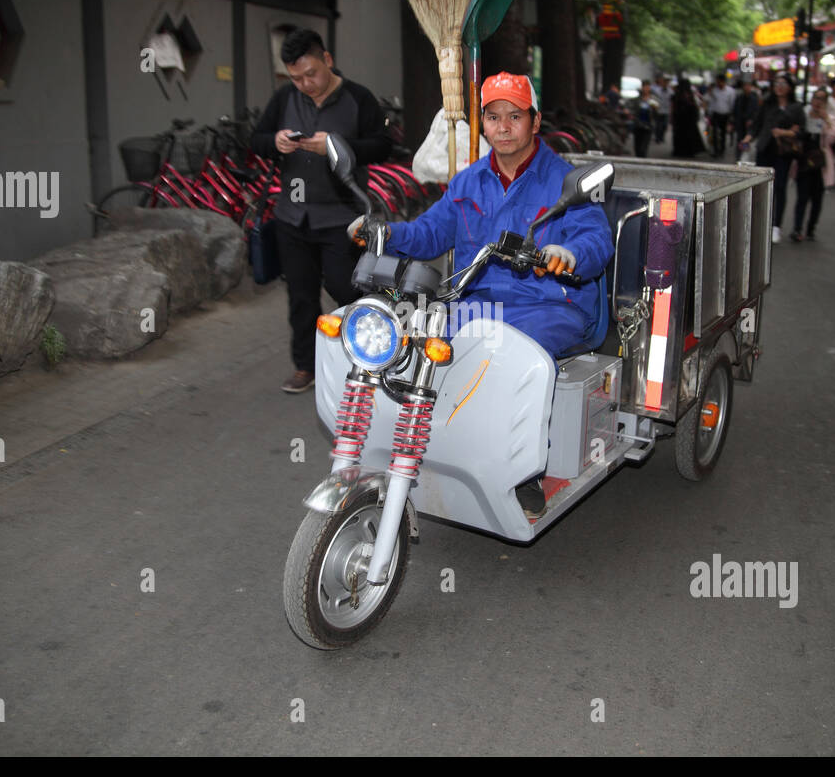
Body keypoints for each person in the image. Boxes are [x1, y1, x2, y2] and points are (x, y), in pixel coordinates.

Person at [348, 72, 613, 516]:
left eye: (514, 116)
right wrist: (386, 231)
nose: (503, 127)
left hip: (553, 303)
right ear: (483, 124)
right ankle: (435, 442)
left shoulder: (565, 182)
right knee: (417, 342)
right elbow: (431, 233)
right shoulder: (469, 181)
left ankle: (526, 468)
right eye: (493, 117)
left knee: (510, 356)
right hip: (480, 302)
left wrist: (567, 254)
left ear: (535, 121)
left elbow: (596, 240)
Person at [250, 28, 391, 393]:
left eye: (310, 74)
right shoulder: (284, 98)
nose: (305, 84)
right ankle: (306, 366)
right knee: (300, 295)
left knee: (347, 289)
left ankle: (371, 357)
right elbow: (255, 139)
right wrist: (275, 142)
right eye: (295, 78)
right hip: (292, 216)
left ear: (327, 60)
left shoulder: (358, 97)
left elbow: (383, 146)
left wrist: (336, 144)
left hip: (342, 217)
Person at [741, 73, 804, 243]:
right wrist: (748, 138)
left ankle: (776, 226)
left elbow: (800, 131)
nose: (779, 86)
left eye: (783, 83)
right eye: (777, 83)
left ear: (790, 87)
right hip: (765, 148)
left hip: (783, 152)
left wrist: (785, 132)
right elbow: (757, 125)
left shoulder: (796, 107)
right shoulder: (767, 104)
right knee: (761, 187)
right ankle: (760, 224)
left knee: (780, 187)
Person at [789, 88, 835, 242]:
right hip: (803, 162)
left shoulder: (829, 119)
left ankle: (811, 228)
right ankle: (797, 229)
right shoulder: (803, 115)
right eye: (815, 98)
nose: (817, 102)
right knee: (802, 197)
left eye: (821, 99)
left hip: (820, 164)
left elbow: (834, 137)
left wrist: (827, 121)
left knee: (817, 199)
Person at [672, 76, 706, 159]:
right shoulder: (688, 94)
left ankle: (682, 151)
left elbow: (675, 108)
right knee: (689, 136)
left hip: (682, 120)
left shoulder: (679, 94)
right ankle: (688, 151)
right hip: (688, 120)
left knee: (682, 136)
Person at [705, 74, 737, 155]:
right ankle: (716, 150)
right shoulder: (714, 90)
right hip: (715, 114)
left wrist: (731, 115)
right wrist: (709, 113)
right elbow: (711, 103)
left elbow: (732, 103)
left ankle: (722, 149)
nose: (718, 83)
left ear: (723, 82)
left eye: (720, 82)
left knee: (723, 133)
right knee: (714, 133)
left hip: (725, 115)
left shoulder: (730, 91)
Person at [732, 78, 760, 158]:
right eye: (745, 85)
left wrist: (752, 120)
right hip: (740, 123)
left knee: (747, 140)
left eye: (748, 86)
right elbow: (735, 110)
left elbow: (756, 111)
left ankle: (744, 156)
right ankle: (739, 156)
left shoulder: (754, 98)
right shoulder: (739, 97)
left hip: (749, 124)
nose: (746, 87)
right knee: (739, 139)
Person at [632, 84, 656, 157]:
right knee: (637, 144)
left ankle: (643, 156)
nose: (645, 89)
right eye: (644, 88)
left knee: (644, 145)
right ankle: (638, 157)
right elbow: (633, 109)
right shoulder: (637, 100)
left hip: (648, 124)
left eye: (647, 88)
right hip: (638, 124)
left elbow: (656, 111)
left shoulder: (653, 99)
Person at [651, 75, 671, 143]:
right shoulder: (657, 90)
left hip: (666, 110)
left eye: (667, 83)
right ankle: (658, 138)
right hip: (658, 110)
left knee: (664, 125)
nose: (665, 84)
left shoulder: (670, 91)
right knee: (658, 125)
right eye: (664, 82)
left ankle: (662, 137)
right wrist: (654, 107)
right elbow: (653, 99)